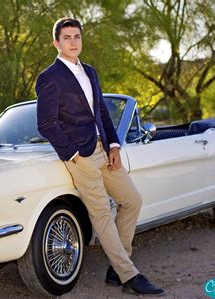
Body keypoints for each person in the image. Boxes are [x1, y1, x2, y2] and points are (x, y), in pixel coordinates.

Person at [36, 17, 164, 296]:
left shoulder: (90, 71)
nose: (73, 42)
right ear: (56, 43)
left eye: (77, 37)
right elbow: (46, 123)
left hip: (103, 150)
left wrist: (114, 145)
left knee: (132, 201)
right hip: (80, 156)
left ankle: (117, 267)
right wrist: (72, 155)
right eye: (67, 37)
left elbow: (102, 114)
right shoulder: (49, 77)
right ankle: (129, 275)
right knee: (102, 214)